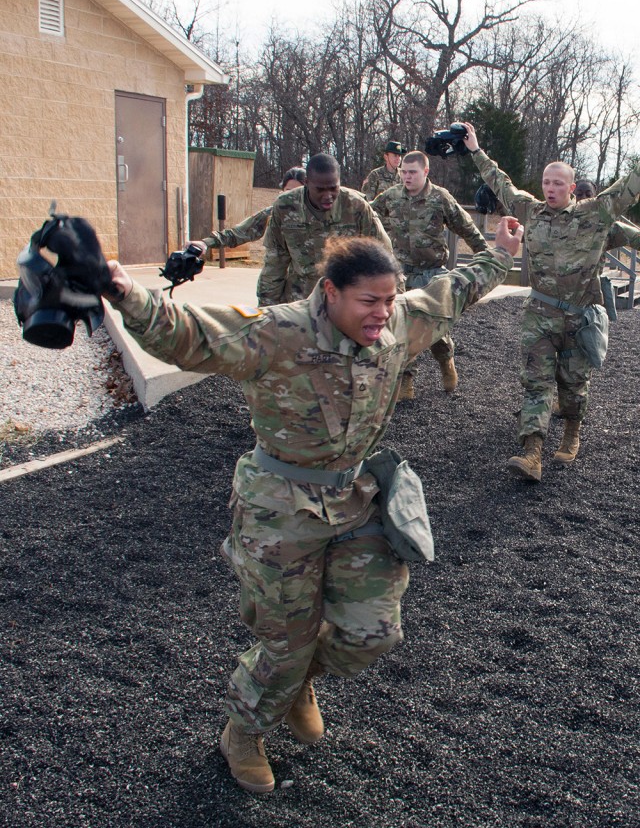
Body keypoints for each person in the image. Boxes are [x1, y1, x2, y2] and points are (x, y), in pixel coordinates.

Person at [105, 219, 523, 794]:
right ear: (330, 291)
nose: (382, 312)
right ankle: (244, 731)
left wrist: (500, 252)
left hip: (354, 499)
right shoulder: (280, 333)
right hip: (280, 510)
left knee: (372, 633)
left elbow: (455, 290)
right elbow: (190, 334)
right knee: (286, 642)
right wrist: (125, 292)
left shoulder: (398, 323)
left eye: (390, 298)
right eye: (368, 301)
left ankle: (300, 680)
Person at [462, 121, 640, 481]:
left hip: (579, 318)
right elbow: (500, 182)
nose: (550, 188)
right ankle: (531, 454)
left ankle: (572, 432)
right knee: (536, 383)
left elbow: (630, 187)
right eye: (546, 182)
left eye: (558, 183)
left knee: (573, 386)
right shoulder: (530, 211)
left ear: (572, 188)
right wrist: (475, 150)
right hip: (540, 314)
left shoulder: (596, 214)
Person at [372, 150, 489, 398]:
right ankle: (406, 381)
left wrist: (487, 257)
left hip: (431, 274)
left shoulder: (439, 198)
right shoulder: (391, 197)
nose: (407, 177)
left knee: (435, 328)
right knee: (400, 326)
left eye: (412, 172)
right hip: (400, 274)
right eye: (403, 171)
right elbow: (367, 217)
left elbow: (466, 227)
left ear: (425, 172)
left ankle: (446, 361)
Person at [256, 153, 393, 306]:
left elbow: (384, 257)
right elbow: (275, 262)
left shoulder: (357, 207)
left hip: (346, 303)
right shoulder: (285, 207)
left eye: (333, 188)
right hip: (301, 303)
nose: (328, 196)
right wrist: (267, 310)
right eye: (320, 190)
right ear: (307, 183)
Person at [194, 167, 307, 252]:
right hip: (278, 279)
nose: (292, 197)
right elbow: (239, 233)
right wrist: (205, 243)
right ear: (281, 191)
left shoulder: (320, 216)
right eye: (288, 191)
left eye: (298, 191)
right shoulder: (272, 213)